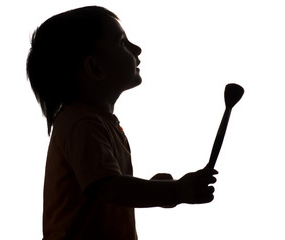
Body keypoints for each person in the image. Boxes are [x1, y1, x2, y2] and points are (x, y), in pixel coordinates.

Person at [26, 6, 218, 240]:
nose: (137, 49)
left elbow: (110, 189)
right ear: (95, 68)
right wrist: (173, 191)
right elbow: (110, 188)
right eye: (122, 43)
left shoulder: (94, 122)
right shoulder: (81, 123)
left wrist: (152, 188)